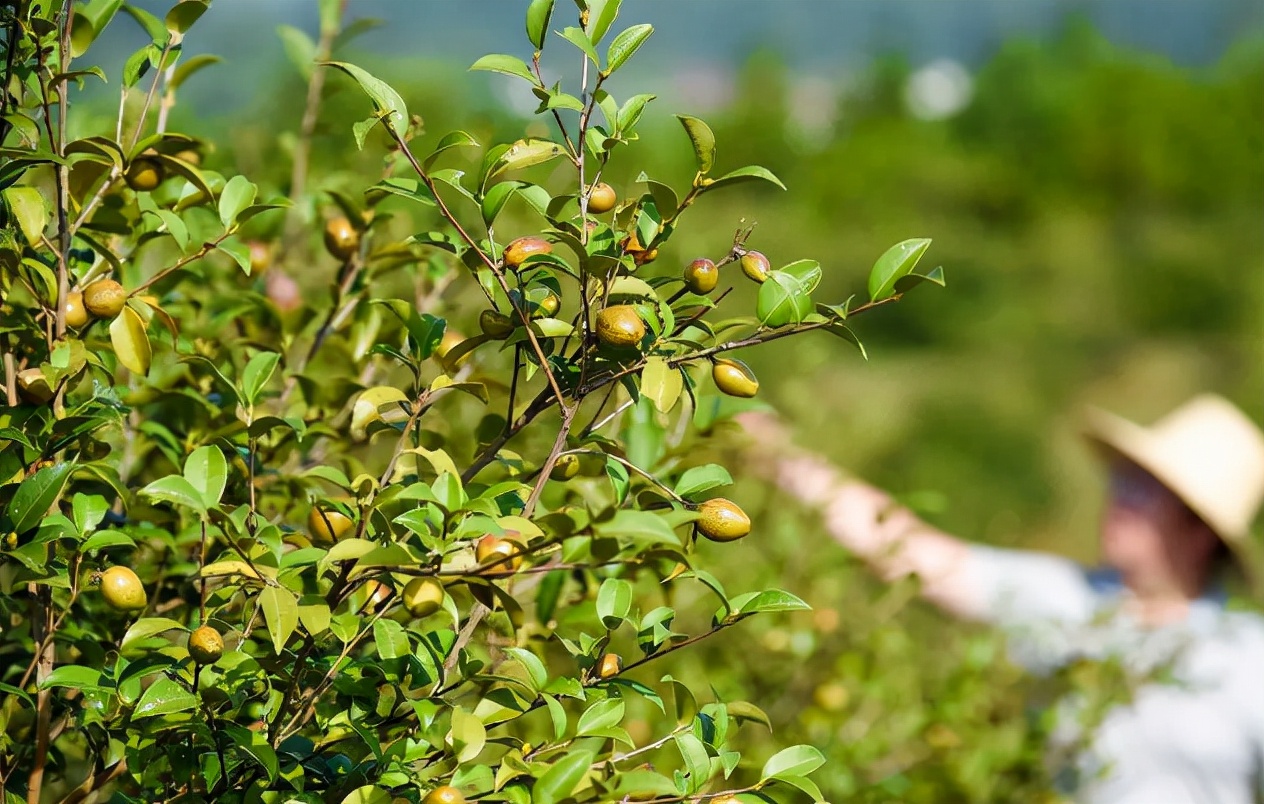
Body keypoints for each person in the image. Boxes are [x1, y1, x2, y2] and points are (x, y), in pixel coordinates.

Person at [737, 394, 1264, 804]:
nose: (1118, 498)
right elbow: (911, 553)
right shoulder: (1067, 599)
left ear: (1199, 532)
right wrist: (780, 454)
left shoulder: (1249, 657)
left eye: (1145, 491)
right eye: (1125, 480)